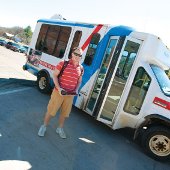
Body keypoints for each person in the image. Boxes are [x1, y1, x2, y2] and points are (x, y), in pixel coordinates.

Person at [38, 47, 84, 139]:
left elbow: (79, 81)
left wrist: (76, 89)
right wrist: (59, 88)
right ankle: (44, 126)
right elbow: (54, 75)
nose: (77, 56)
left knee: (64, 113)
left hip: (70, 95)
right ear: (72, 53)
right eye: (75, 54)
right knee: (51, 111)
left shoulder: (81, 68)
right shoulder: (63, 63)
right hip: (58, 92)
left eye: (79, 55)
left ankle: (60, 128)